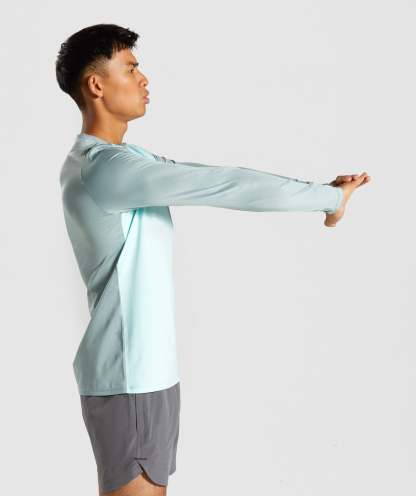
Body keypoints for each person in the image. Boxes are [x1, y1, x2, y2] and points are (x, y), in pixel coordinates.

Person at [56, 23, 371, 496]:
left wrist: (323, 193)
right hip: (130, 377)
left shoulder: (125, 159)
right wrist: (326, 199)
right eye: (131, 68)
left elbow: (206, 175)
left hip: (147, 374)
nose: (144, 78)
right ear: (96, 85)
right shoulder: (105, 169)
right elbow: (223, 185)